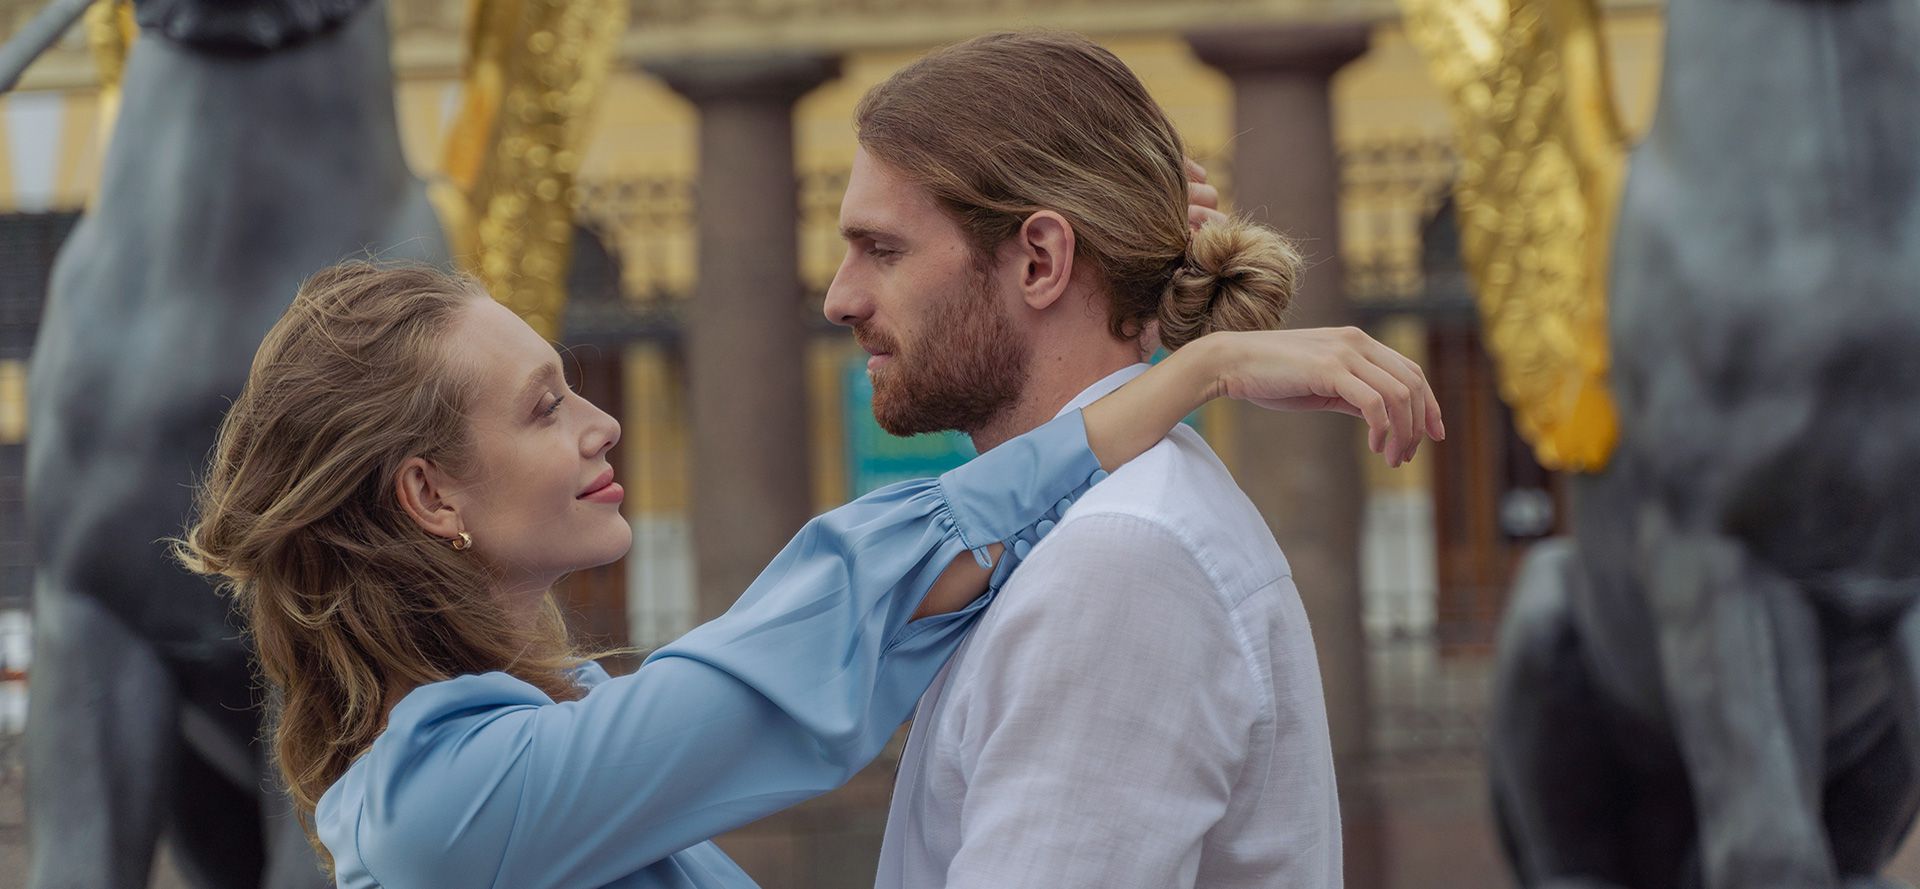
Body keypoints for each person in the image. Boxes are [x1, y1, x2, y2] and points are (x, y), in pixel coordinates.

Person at [173, 260, 1431, 885]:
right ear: (429, 493)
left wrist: (1122, 298)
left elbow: (821, 636)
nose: (599, 424)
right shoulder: (445, 808)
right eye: (544, 406)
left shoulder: (520, 760)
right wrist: (1184, 378)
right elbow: (808, 636)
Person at [826, 32, 1434, 889]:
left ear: (1041, 259)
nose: (838, 296)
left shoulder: (1114, 557)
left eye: (882, 249)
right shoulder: (1066, 524)